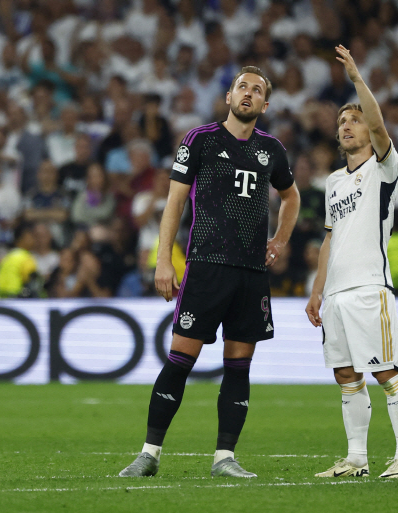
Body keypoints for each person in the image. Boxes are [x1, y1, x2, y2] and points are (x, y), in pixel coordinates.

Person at [119, 66, 300, 479]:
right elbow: (174, 202)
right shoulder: (200, 139)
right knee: (180, 359)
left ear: (265, 104)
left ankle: (224, 458)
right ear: (229, 96)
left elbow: (291, 197)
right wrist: (164, 259)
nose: (248, 93)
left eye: (257, 90)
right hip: (206, 267)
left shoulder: (272, 149)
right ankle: (149, 454)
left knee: (238, 366)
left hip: (251, 272)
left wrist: (279, 240)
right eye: (242, 87)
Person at [305, 46, 398, 480]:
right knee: (347, 376)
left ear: (369, 130)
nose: (347, 126)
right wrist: (317, 291)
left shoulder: (384, 169)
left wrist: (356, 79)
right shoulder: (333, 182)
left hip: (371, 288)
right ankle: (356, 459)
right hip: (336, 295)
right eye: (341, 122)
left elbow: (380, 124)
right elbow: (329, 239)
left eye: (354, 120)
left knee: (387, 372)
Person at [0, 223, 41, 298]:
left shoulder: (9, 256)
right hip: (17, 297)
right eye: (32, 237)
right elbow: (31, 280)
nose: (34, 240)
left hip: (1, 296)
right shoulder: (25, 257)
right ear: (22, 238)